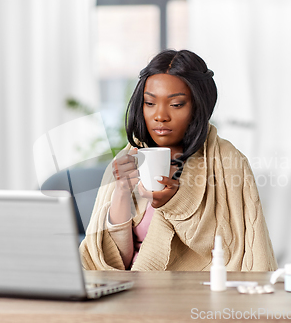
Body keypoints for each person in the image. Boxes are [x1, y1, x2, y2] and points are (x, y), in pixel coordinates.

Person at [79, 49, 277, 271]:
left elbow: (230, 253)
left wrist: (173, 205)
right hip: (130, 293)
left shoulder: (228, 161)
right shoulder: (128, 160)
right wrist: (122, 192)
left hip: (196, 296)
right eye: (150, 103)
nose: (160, 115)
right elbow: (112, 263)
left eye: (176, 104)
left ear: (197, 107)